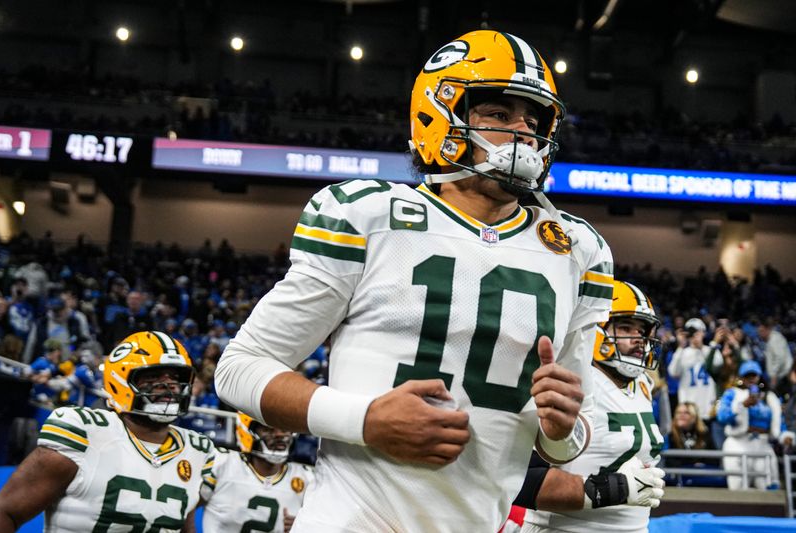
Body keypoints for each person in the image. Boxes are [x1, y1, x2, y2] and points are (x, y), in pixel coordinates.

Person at [216, 29, 614, 532]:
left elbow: (572, 436)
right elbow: (239, 368)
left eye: (533, 120)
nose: (524, 132)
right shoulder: (369, 214)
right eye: (498, 114)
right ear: (438, 114)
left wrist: (559, 431)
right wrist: (364, 421)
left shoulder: (578, 250)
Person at [0, 331, 215, 532]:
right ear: (120, 381)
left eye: (176, 378)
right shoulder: (86, 433)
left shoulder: (195, 450)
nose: (170, 387)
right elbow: (5, 511)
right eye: (153, 377)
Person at [519, 281, 665, 533]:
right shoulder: (569, 380)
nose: (639, 340)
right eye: (626, 327)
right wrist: (612, 489)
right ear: (596, 331)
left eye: (642, 332)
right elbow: (520, 480)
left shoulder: (642, 384)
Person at [200, 413, 314, 532]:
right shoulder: (222, 464)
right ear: (247, 431)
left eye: (284, 428)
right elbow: (187, 507)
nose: (279, 434)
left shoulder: (307, 478)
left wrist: (304, 528)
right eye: (267, 429)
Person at [716, 360, 785, 490]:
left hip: (763, 444)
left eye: (754, 375)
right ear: (741, 377)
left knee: (768, 487)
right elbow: (722, 417)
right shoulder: (732, 393)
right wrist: (742, 405)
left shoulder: (769, 397)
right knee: (738, 487)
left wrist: (784, 436)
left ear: (759, 376)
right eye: (747, 375)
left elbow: (779, 421)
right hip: (738, 443)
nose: (751, 379)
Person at [668, 317, 717, 424]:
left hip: (708, 407)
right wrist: (680, 346)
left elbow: (718, 365)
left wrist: (700, 347)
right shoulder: (681, 353)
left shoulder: (711, 350)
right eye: (691, 332)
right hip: (688, 411)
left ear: (703, 333)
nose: (694, 335)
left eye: (697, 332)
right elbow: (673, 372)